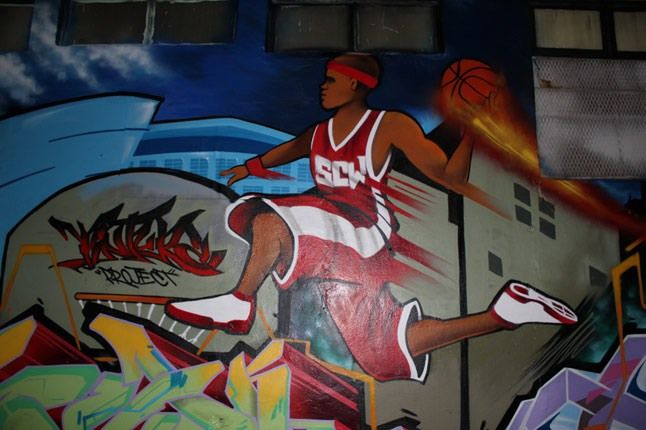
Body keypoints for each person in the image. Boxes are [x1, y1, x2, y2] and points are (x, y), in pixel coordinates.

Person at [166, 53, 577, 382]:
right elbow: (290, 149)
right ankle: (504, 313)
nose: (322, 85)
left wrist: (473, 130)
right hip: (333, 230)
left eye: (331, 79)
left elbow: (449, 176)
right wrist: (251, 166)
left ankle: (239, 302)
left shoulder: (388, 125)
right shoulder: (319, 133)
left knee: (272, 217)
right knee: (382, 354)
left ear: (355, 84)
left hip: (364, 223)